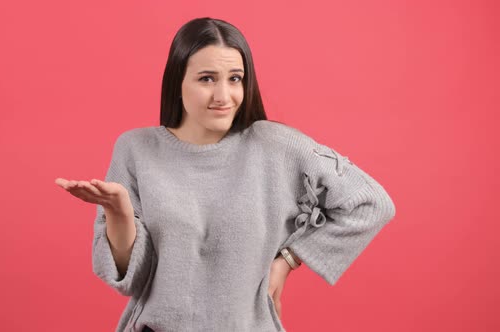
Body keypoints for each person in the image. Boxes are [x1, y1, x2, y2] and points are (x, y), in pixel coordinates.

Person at [55, 17, 396, 332]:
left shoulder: (274, 146)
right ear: (178, 81)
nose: (224, 96)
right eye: (206, 79)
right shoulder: (136, 149)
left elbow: (371, 203)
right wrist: (119, 211)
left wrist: (288, 260)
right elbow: (132, 280)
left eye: (235, 78)